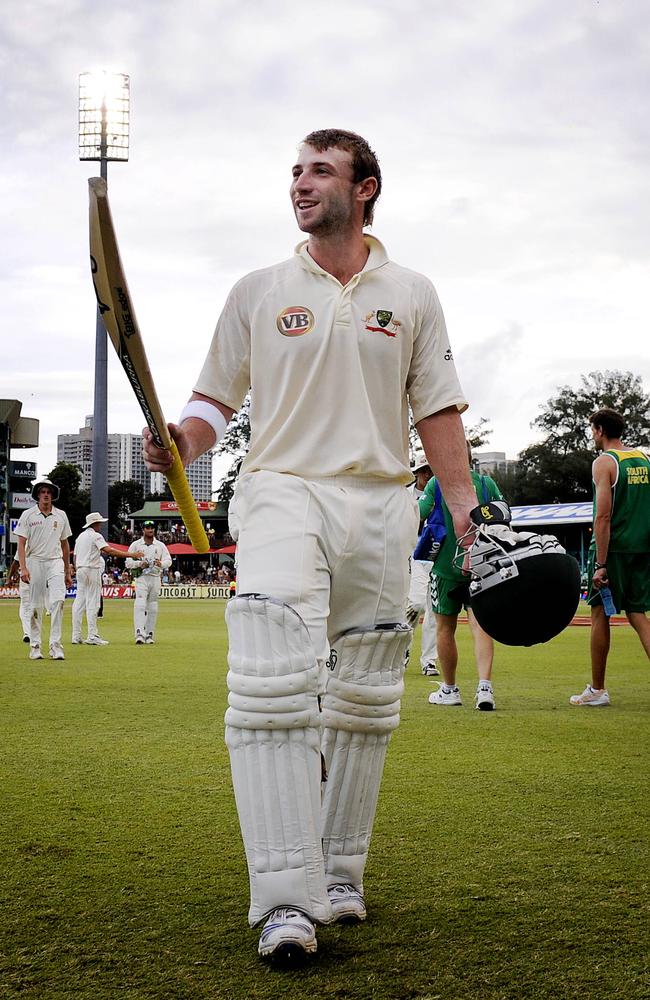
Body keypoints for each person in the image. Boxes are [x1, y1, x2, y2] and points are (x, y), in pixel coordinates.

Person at [142, 128, 478, 962]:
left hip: (380, 500)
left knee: (363, 698)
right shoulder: (258, 289)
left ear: (364, 188)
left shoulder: (411, 291)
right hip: (282, 488)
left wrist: (468, 513)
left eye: (320, 171)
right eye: (295, 171)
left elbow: (436, 408)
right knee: (270, 681)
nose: (300, 183)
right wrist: (180, 442)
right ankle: (285, 901)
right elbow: (212, 403)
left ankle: (339, 873)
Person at [570, 407, 650, 707]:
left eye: (593, 429)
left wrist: (601, 564)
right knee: (638, 614)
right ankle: (597, 689)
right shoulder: (643, 458)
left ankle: (598, 690)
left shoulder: (605, 462)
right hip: (641, 548)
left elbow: (602, 517)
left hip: (612, 549)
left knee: (599, 614)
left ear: (600, 430)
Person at [420, 444, 503, 711]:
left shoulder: (436, 483)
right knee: (481, 626)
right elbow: (503, 518)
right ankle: (484, 688)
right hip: (481, 564)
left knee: (445, 628)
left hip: (445, 566)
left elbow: (419, 514)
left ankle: (450, 689)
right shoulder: (487, 483)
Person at [15, 477, 72, 661]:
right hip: (35, 561)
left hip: (55, 561)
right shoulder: (28, 515)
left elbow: (65, 545)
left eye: (49, 492)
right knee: (35, 606)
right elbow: (21, 543)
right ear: (38, 495)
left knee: (58, 601)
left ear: (53, 495)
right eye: (43, 492)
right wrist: (23, 568)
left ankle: (55, 646)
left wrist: (68, 571)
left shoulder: (61, 515)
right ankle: (35, 645)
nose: (46, 495)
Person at [71, 512, 130, 645]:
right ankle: (92, 635)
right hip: (92, 569)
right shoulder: (96, 536)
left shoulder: (80, 537)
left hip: (80, 569)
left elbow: (75, 557)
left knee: (79, 602)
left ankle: (76, 635)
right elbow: (109, 550)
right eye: (99, 523)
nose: (101, 525)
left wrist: (77, 568)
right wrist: (130, 554)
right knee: (93, 602)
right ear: (95, 524)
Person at [406, 450, 439, 676]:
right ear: (417, 472)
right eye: (424, 471)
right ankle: (402, 650)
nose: (427, 475)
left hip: (437, 555)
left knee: (434, 612)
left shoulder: (440, 492)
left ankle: (429, 660)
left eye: (430, 470)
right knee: (415, 605)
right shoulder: (404, 495)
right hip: (413, 555)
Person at [125, 521, 172, 644]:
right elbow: (128, 563)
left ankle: (149, 633)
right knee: (140, 603)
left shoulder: (160, 545)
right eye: (148, 528)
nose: (150, 530)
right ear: (143, 530)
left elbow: (169, 560)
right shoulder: (136, 545)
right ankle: (139, 633)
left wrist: (160, 563)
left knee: (153, 606)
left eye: (152, 528)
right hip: (141, 577)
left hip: (155, 577)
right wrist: (139, 564)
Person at [8, 558, 37, 642]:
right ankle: (30, 633)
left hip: (26, 577)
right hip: (38, 577)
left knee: (25, 607)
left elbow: (16, 562)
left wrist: (9, 578)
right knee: (33, 606)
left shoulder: (22, 545)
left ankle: (27, 632)